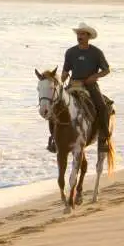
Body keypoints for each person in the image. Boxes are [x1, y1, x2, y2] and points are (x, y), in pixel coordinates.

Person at [47, 22, 111, 153]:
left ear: (88, 36)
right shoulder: (70, 52)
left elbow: (106, 70)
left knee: (103, 107)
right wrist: (59, 83)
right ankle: (53, 138)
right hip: (73, 84)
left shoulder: (96, 52)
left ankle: (104, 139)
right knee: (54, 106)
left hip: (90, 85)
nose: (79, 36)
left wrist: (94, 76)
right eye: (78, 34)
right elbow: (65, 72)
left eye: (82, 34)